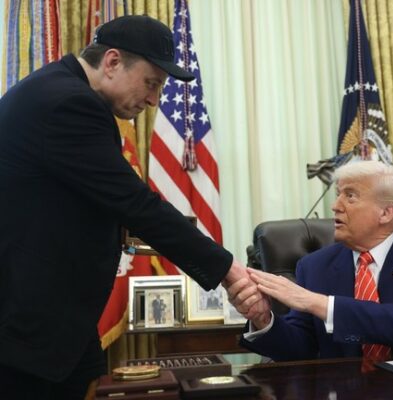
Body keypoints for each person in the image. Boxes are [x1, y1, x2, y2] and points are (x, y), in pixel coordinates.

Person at [0, 15, 266, 400]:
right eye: (151, 83)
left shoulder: (57, 89)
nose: (154, 100)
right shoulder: (69, 104)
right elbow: (135, 204)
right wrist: (227, 269)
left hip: (54, 319)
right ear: (112, 61)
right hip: (26, 326)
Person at [227, 160, 393, 362]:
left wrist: (318, 303)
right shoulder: (315, 266)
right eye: (338, 194)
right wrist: (263, 320)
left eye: (350, 196)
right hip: (344, 387)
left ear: (386, 213)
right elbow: (299, 349)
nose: (336, 206)